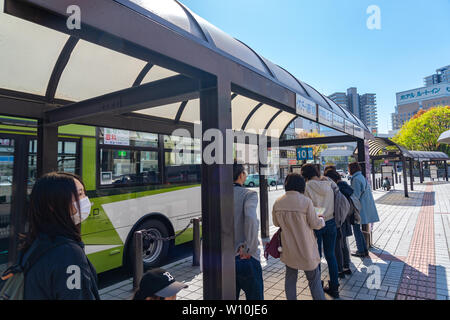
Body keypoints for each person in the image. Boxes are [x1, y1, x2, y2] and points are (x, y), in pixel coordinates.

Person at [21, 172, 100, 300]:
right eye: (79, 194)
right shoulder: (69, 253)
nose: (86, 200)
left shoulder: (36, 240)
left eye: (84, 193)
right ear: (53, 204)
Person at [272, 173, 326, 300]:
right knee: (314, 280)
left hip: (288, 248)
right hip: (306, 249)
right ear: (301, 185)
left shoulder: (278, 202)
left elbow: (276, 223)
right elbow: (315, 224)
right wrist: (321, 220)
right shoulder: (306, 202)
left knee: (290, 278)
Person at [301, 163, 340, 298]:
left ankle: (317, 285)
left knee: (316, 257)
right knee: (331, 255)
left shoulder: (307, 187)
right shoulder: (328, 184)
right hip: (330, 222)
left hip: (316, 223)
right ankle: (334, 287)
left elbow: (306, 207)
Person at [233, 163, 264, 300]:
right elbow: (251, 220)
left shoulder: (217, 195)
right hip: (245, 256)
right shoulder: (248, 194)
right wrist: (249, 249)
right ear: (241, 175)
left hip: (224, 259)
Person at [323, 168, 353, 278]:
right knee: (343, 244)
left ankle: (339, 269)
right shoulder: (344, 186)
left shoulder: (335, 188)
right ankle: (346, 266)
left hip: (337, 220)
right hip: (344, 219)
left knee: (336, 246)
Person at [348, 162, 380, 258]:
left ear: (352, 169)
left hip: (359, 208)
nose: (348, 170)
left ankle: (361, 250)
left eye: (349, 168)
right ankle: (364, 249)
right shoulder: (360, 177)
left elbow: (355, 196)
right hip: (364, 207)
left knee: (356, 229)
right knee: (358, 229)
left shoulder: (356, 179)